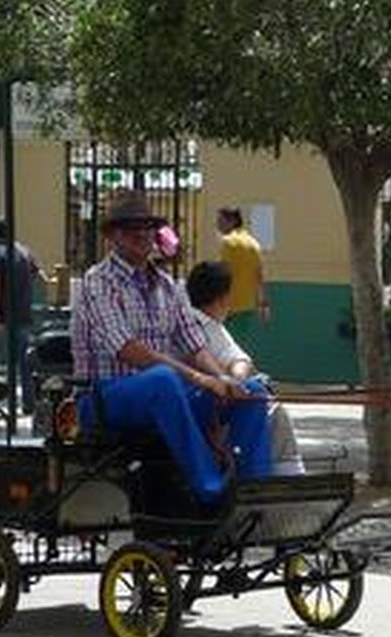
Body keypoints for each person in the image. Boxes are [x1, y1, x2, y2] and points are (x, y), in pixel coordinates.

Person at [71, 193, 273, 504]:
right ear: (112, 236)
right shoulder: (96, 283)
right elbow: (128, 350)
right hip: (102, 399)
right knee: (163, 379)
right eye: (130, 228)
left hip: (165, 397)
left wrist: (226, 383)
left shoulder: (169, 286)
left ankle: (254, 492)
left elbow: (195, 346)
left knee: (253, 390)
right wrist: (202, 380)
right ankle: (210, 489)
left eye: (147, 227)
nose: (141, 234)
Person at [185, 261, 305, 475]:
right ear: (223, 298)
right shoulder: (197, 323)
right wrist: (235, 383)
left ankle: (275, 476)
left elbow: (239, 361)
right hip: (196, 401)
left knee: (263, 399)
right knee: (262, 401)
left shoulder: (207, 324)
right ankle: (256, 478)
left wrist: (237, 381)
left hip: (210, 397)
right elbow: (229, 361)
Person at [0, 218, 49, 409]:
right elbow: (41, 277)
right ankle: (29, 401)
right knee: (24, 362)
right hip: (22, 314)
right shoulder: (25, 252)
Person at [216, 207, 269, 338]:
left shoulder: (228, 242)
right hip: (247, 305)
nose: (218, 225)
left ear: (232, 221)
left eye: (221, 221)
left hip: (228, 307)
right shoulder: (254, 244)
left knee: (223, 348)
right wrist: (263, 303)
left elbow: (224, 272)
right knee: (239, 346)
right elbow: (259, 276)